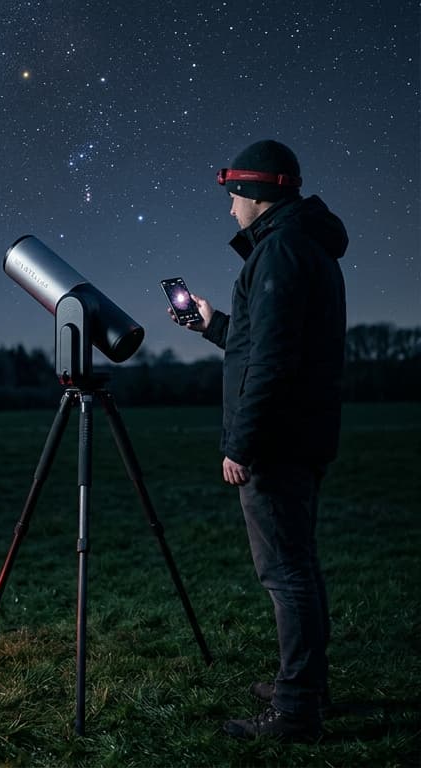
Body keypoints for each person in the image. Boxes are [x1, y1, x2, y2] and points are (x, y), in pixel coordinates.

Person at [172, 139, 346, 741]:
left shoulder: (280, 254)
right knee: (299, 566)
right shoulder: (304, 249)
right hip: (303, 434)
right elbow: (261, 344)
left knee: (285, 574)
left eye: (234, 198)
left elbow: (271, 363)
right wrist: (214, 322)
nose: (230, 210)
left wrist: (240, 444)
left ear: (258, 194)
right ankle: (306, 684)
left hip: (276, 442)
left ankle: (296, 709)